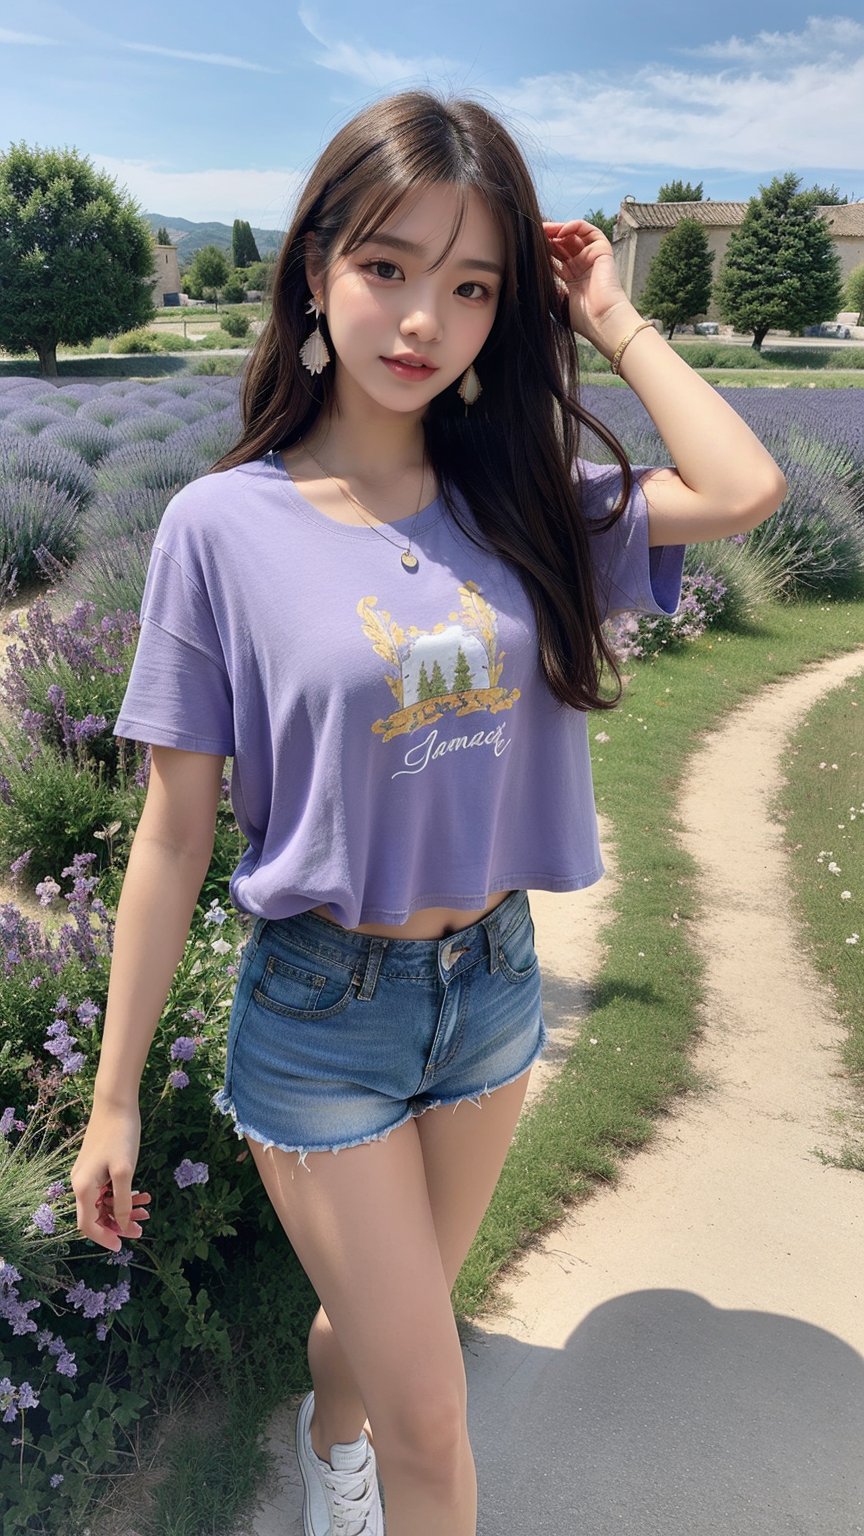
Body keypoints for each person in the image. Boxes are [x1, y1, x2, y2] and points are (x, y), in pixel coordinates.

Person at [70, 88, 786, 1536]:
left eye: (471, 288)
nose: (422, 320)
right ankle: (371, 1449)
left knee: (385, 1345)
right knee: (438, 1411)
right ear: (316, 270)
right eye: (388, 267)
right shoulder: (221, 527)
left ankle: (331, 1428)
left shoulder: (522, 498)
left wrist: (607, 317)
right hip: (322, 1012)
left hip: (494, 991)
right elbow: (172, 833)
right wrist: (112, 1093)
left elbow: (747, 485)